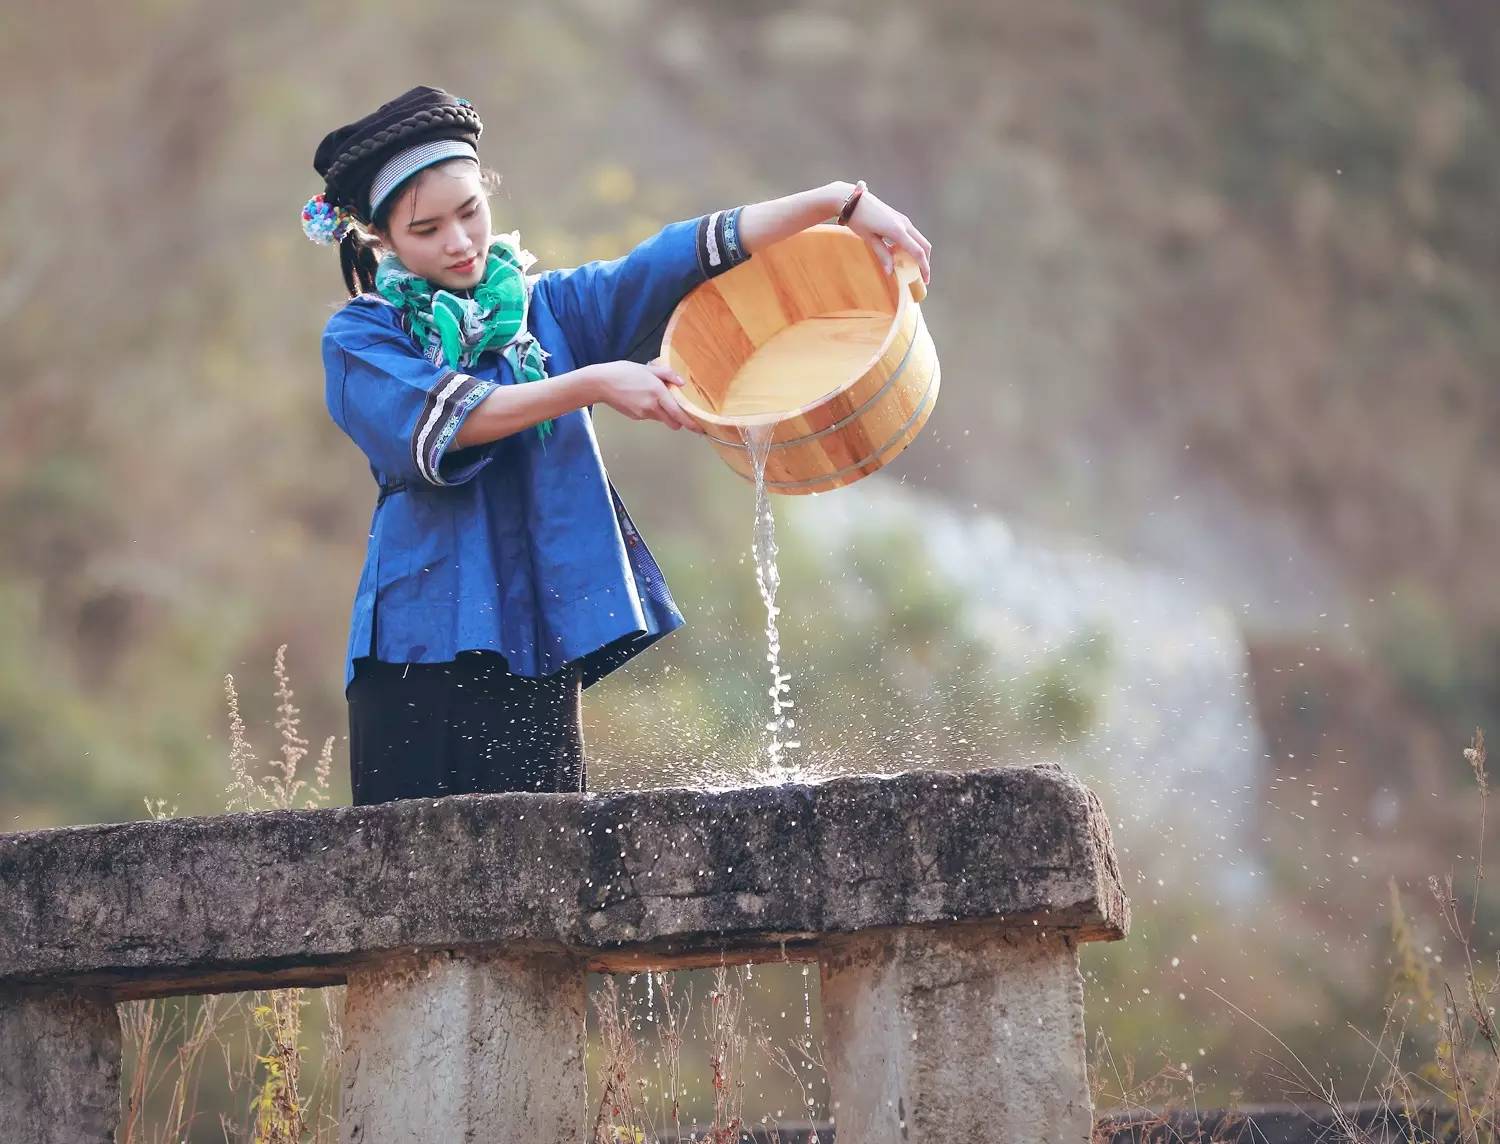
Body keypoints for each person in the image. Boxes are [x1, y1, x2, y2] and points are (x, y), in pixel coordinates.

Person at [305, 85, 932, 806]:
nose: (460, 241)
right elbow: (458, 419)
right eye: (428, 229)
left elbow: (678, 256)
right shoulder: (361, 339)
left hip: (538, 643)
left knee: (547, 895)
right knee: (412, 898)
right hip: (418, 654)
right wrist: (595, 382)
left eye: (470, 211)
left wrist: (837, 203)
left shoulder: (549, 309)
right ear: (382, 240)